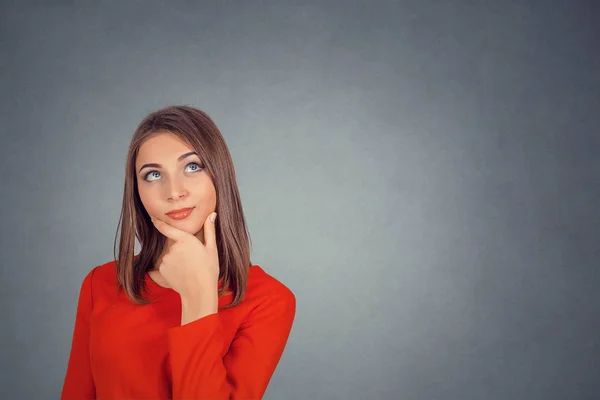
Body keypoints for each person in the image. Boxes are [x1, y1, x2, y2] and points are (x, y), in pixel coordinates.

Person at [60, 105, 296, 400]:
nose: (174, 191)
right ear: (138, 193)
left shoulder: (268, 300)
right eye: (153, 175)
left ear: (219, 175)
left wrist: (198, 300)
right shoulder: (101, 283)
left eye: (192, 166)